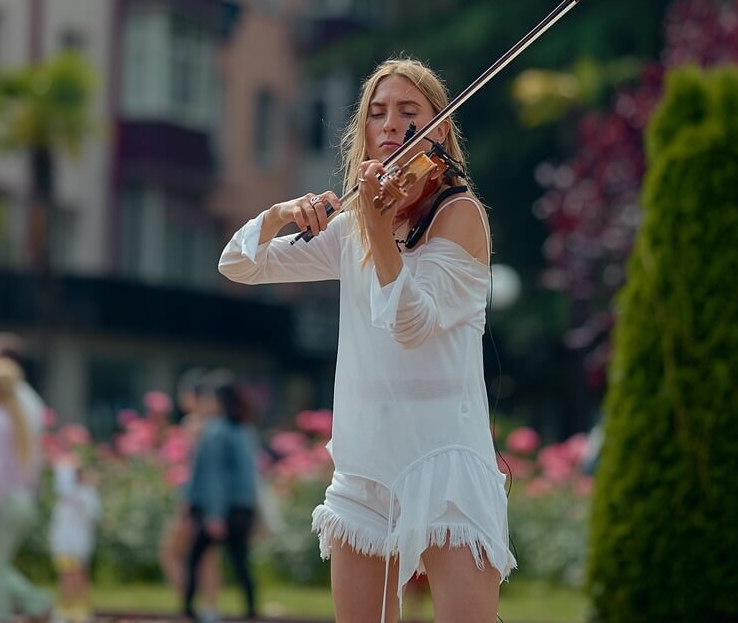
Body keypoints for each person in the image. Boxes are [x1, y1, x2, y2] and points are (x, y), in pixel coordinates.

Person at [219, 58, 516, 622]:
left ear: (440, 129)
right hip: (365, 461)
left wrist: (381, 236)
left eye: (408, 113)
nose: (389, 126)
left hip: (444, 457)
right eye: (377, 113)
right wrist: (283, 212)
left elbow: (411, 324)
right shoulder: (353, 223)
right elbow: (239, 265)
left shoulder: (460, 215)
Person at [0, 357, 52, 622]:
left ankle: (11, 610)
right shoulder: (18, 419)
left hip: (1, 501)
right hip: (23, 500)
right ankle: (30, 604)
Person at [183, 374, 259, 623]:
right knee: (240, 561)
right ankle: (251, 610)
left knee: (195, 558)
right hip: (243, 508)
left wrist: (214, 514)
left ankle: (188, 610)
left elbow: (214, 477)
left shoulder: (216, 431)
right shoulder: (245, 430)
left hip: (222, 510)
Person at [159, 369, 221, 608]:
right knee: (207, 558)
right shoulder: (216, 425)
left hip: (195, 499)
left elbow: (197, 468)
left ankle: (190, 604)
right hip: (213, 501)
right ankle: (210, 609)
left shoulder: (194, 425)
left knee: (171, 554)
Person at [49, 455, 101, 623]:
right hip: (64, 545)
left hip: (79, 545)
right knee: (66, 575)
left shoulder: (87, 495)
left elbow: (93, 515)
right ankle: (65, 609)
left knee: (78, 575)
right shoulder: (63, 504)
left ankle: (82, 610)